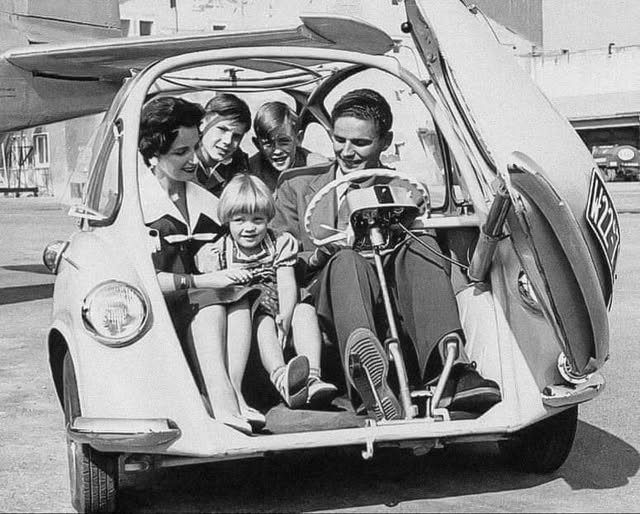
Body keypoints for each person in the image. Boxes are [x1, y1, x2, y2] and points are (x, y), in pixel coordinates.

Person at [272, 88, 501, 421]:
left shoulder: (404, 190)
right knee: (346, 261)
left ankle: (450, 368)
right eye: (339, 140)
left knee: (421, 244)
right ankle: (368, 380)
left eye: (360, 143)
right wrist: (323, 254)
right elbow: (280, 257)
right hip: (324, 294)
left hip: (387, 287)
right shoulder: (295, 187)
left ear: (385, 141)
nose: (346, 152)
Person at [138, 96, 262, 434]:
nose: (194, 159)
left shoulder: (205, 200)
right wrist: (204, 280)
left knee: (239, 297)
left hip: (198, 299)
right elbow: (141, 280)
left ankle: (234, 394)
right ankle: (221, 398)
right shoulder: (137, 203)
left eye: (195, 147)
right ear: (154, 153)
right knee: (211, 300)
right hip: (157, 308)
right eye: (181, 152)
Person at [196, 173, 338, 409]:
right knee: (264, 324)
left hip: (281, 300)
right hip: (249, 310)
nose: (249, 228)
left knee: (305, 311)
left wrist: (286, 316)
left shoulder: (279, 242)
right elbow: (216, 286)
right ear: (227, 220)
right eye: (240, 220)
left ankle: (313, 376)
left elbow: (286, 281)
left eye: (257, 220)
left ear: (268, 219)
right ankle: (281, 376)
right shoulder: (220, 250)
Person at [249, 101, 327, 192]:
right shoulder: (251, 172)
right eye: (268, 143)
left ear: (299, 138)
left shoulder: (317, 169)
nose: (277, 151)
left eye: (284, 141)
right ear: (258, 144)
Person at [194, 93, 252, 197]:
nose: (228, 141)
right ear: (202, 124)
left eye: (236, 136)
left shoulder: (239, 165)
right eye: (222, 129)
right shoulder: (179, 156)